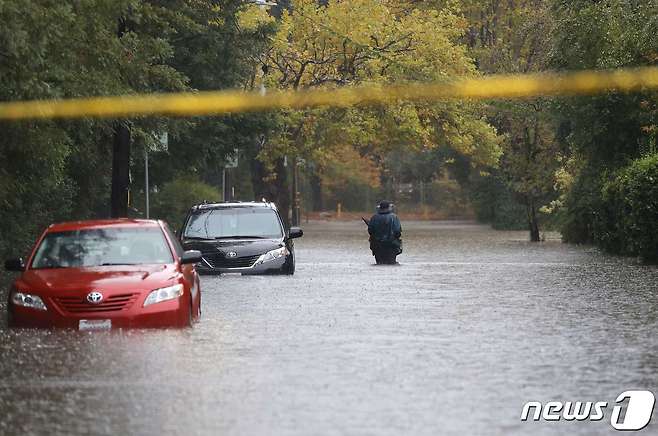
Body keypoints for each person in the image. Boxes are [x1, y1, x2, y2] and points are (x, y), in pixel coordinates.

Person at [367, 200, 402, 264]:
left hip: (377, 246)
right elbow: (398, 232)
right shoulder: (394, 217)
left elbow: (370, 231)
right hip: (391, 246)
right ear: (389, 207)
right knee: (391, 264)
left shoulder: (374, 217)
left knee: (379, 264)